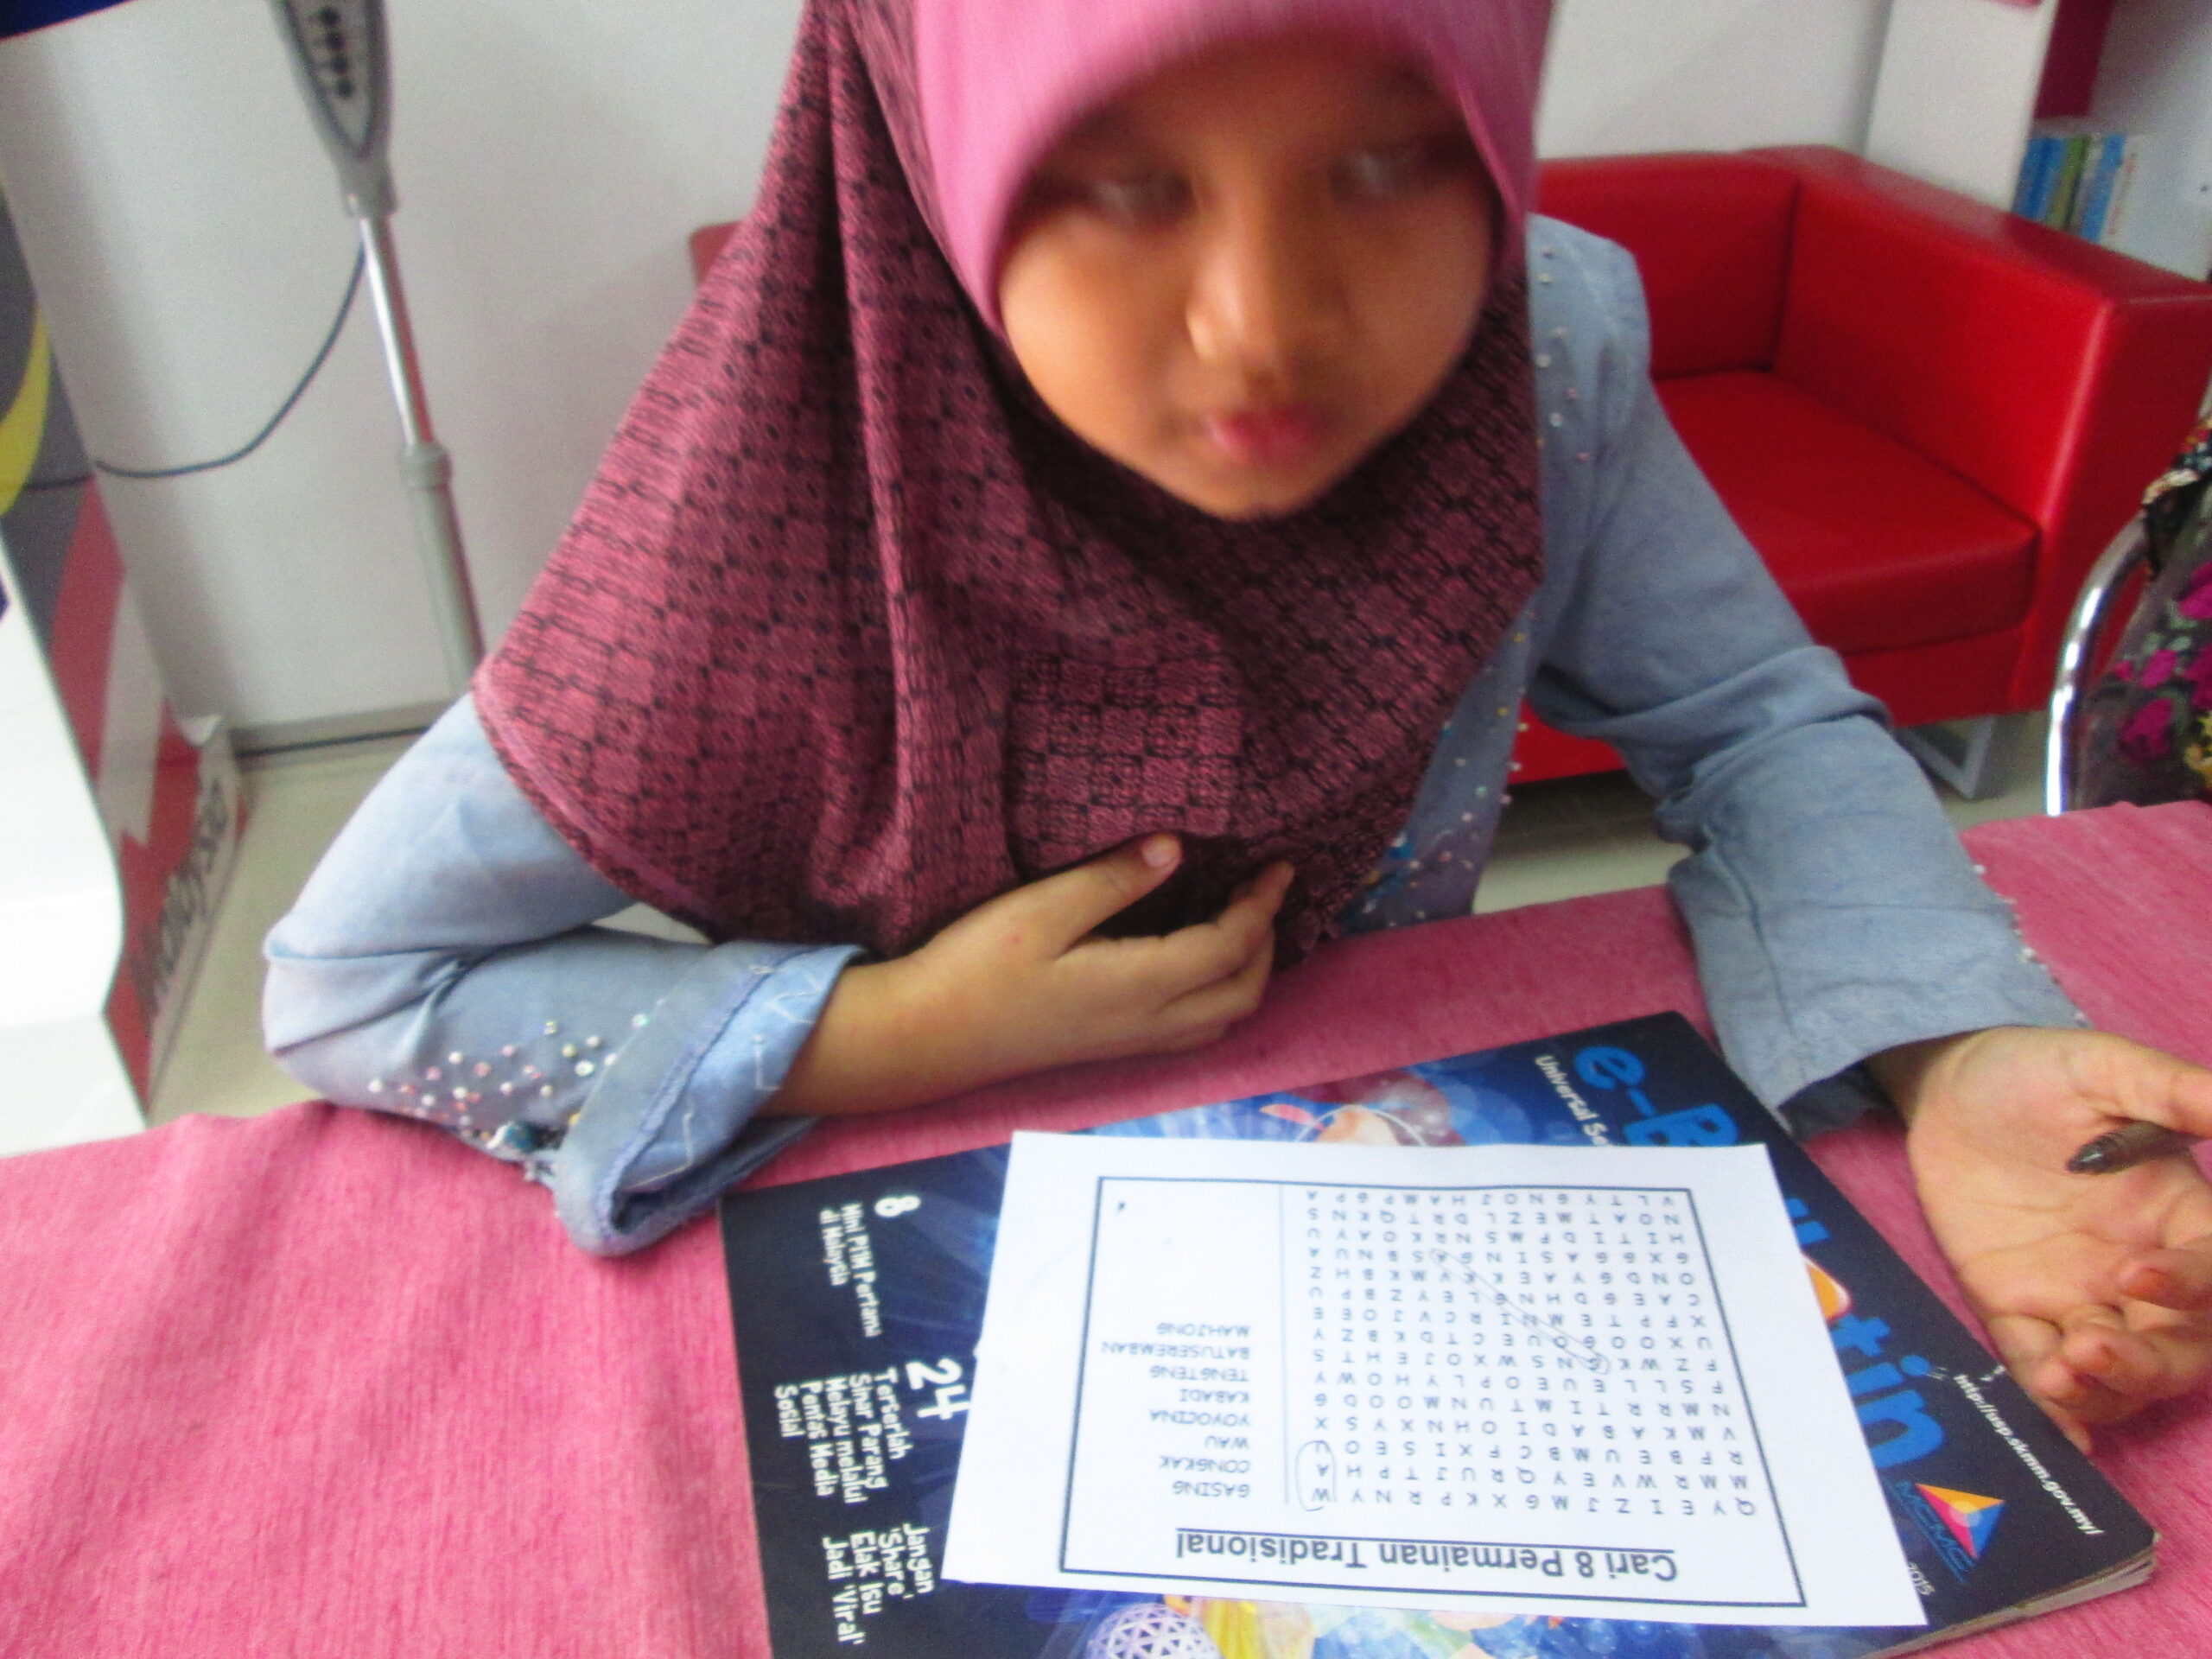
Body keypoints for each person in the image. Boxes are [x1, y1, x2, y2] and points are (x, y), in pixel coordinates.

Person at [264, 0, 2212, 1452]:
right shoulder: (769, 497)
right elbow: (353, 985)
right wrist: (883, 1035)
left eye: (1388, 163)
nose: (1263, 322)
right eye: (1125, 183)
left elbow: (1759, 724)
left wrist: (1952, 1045)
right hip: (900, 1276)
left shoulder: (1530, 359)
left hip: (1389, 1280)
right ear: (933, 145)